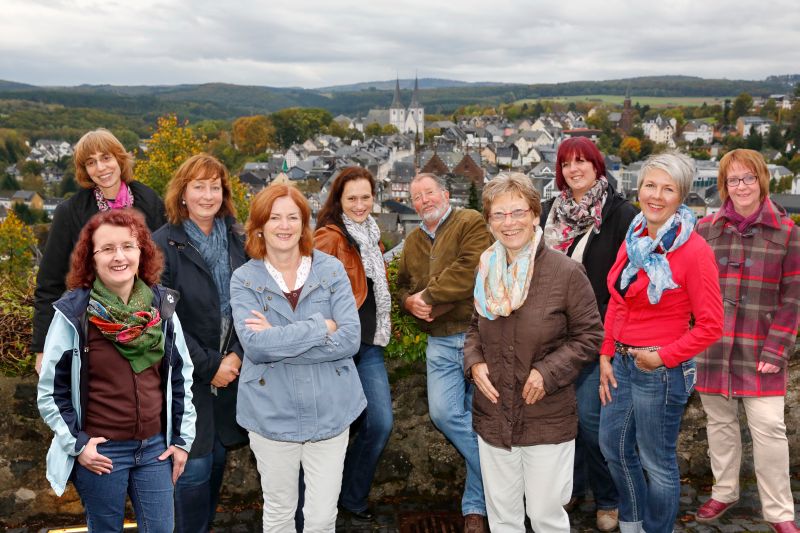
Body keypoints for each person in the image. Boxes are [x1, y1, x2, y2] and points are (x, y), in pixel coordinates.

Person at [37, 209, 196, 532]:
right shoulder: (75, 314)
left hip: (154, 449)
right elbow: (52, 392)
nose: (119, 256)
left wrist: (181, 441)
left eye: (128, 246)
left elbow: (180, 378)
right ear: (90, 258)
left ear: (142, 252)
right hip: (102, 452)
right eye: (107, 249)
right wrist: (79, 445)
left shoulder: (161, 308)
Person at [464, 172, 604, 532]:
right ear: (489, 221)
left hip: (545, 414)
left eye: (517, 212)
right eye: (499, 215)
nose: (509, 223)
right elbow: (473, 327)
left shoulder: (567, 272)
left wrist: (548, 371)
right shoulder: (485, 270)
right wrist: (474, 361)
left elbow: (590, 336)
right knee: (503, 519)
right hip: (494, 415)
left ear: (535, 214)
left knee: (546, 517)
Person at [598, 151, 724, 533]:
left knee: (657, 462)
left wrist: (663, 358)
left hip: (661, 371)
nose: (656, 195)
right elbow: (618, 301)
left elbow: (711, 325)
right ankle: (632, 525)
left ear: (681, 195)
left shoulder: (694, 251)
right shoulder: (635, 237)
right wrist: (606, 354)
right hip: (620, 363)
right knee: (614, 448)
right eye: (650, 185)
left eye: (667, 189)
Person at [230, 184, 366, 532]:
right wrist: (321, 326)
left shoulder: (332, 270)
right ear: (259, 225)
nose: (285, 225)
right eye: (275, 217)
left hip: (331, 411)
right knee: (279, 514)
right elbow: (257, 348)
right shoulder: (244, 280)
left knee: (322, 518)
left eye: (293, 217)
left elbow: (350, 339)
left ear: (305, 224)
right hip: (271, 413)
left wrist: (279, 340)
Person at [693, 149, 800, 533]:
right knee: (719, 423)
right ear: (724, 185)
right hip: (713, 346)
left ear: (762, 181)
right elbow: (691, 289)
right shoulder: (705, 229)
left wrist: (778, 348)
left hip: (761, 347)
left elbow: (794, 297)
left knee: (769, 429)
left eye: (749, 178)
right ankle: (725, 491)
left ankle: (780, 512)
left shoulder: (788, 233)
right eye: (733, 180)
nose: (741, 186)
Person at [541, 137, 637, 531]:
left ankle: (609, 497)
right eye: (566, 164)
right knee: (563, 419)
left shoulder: (620, 215)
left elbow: (628, 284)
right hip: (551, 337)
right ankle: (573, 487)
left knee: (591, 419)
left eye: (582, 162)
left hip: (598, 337)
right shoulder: (549, 212)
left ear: (598, 166)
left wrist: (610, 338)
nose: (574, 169)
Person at [153, 154, 248, 532]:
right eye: (199, 186)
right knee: (193, 469)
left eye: (215, 186)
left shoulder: (240, 240)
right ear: (182, 193)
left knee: (220, 458)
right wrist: (213, 365)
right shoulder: (162, 246)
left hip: (233, 370)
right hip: (186, 377)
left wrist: (238, 356)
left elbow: (256, 301)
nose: (208, 195)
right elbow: (164, 322)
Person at [396, 173, 493, 532]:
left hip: (476, 337)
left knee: (480, 417)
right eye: (416, 197)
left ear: (446, 194)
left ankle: (475, 508)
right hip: (439, 340)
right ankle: (503, 470)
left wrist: (429, 296)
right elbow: (403, 282)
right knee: (444, 413)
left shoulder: (469, 221)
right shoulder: (413, 240)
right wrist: (408, 301)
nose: (423, 201)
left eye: (429, 193)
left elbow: (470, 269)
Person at [33, 128, 166, 373]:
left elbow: (165, 268)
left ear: (119, 159)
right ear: (85, 170)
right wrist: (43, 347)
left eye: (106, 158)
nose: (101, 168)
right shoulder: (71, 212)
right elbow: (48, 284)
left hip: (147, 328)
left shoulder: (150, 201)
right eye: (91, 162)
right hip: (92, 331)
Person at [314, 167, 393, 521]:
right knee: (332, 430)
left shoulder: (372, 236)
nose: (360, 205)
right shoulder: (330, 237)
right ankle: (324, 502)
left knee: (380, 423)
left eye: (366, 197)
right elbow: (310, 289)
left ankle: (351, 495)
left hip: (370, 346)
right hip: (340, 347)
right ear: (338, 200)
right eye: (352, 198)